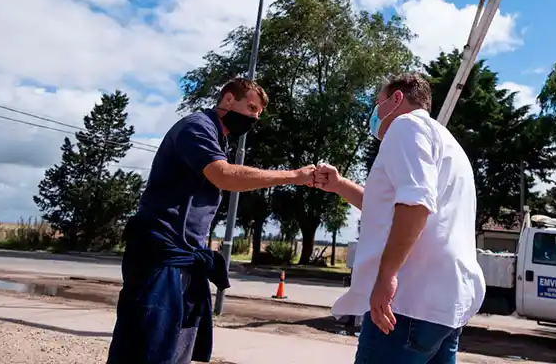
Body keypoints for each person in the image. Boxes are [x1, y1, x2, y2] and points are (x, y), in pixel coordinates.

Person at [107, 78, 315, 364]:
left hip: (183, 258)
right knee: (146, 350)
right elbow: (224, 175)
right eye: (251, 107)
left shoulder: (218, 137)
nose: (255, 117)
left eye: (259, 114)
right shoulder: (197, 127)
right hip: (162, 256)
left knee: (173, 352)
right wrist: (295, 176)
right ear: (228, 100)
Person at [314, 73, 485, 364]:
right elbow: (389, 207)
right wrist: (339, 184)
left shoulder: (405, 126)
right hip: (446, 306)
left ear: (396, 99)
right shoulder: (446, 142)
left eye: (377, 103)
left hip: (407, 303)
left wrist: (386, 275)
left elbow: (416, 204)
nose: (375, 113)